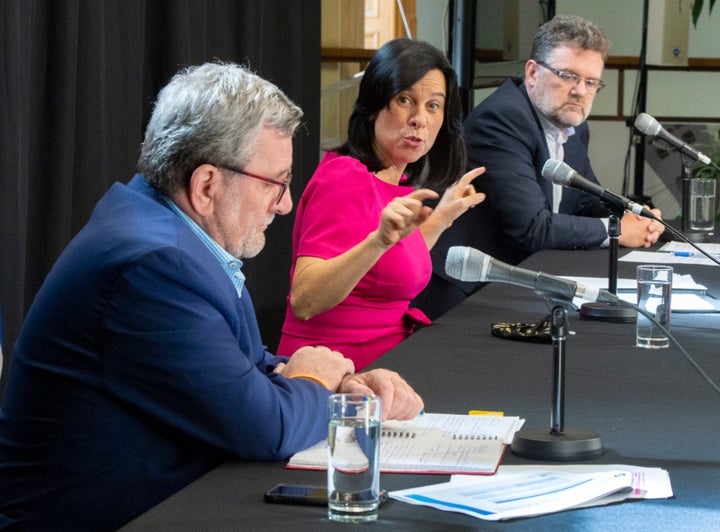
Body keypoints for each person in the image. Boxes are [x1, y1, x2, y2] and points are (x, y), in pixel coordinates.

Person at [0, 62, 424, 530]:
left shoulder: (163, 230)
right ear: (206, 186)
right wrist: (317, 385)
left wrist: (345, 386)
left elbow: (234, 364)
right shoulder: (155, 265)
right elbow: (266, 428)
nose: (284, 205)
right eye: (276, 183)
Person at [414, 14, 665, 320]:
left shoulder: (572, 124)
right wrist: (616, 230)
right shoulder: (503, 120)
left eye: (591, 82)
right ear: (532, 72)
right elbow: (533, 227)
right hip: (461, 289)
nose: (580, 91)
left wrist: (632, 217)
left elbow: (585, 199)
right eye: (568, 76)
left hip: (514, 279)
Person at [277, 38, 486, 371]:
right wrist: (379, 240)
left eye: (433, 105)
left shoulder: (393, 184)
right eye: (405, 100)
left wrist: (442, 217)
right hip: (333, 380)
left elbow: (390, 263)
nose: (419, 119)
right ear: (374, 105)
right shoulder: (345, 177)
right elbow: (304, 300)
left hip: (385, 369)